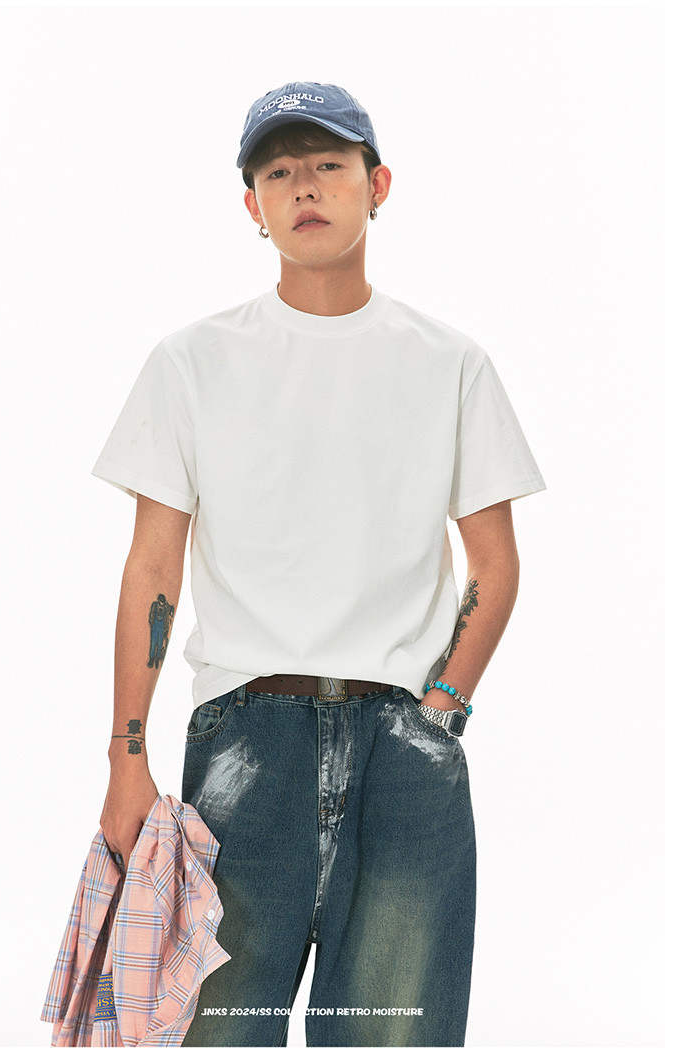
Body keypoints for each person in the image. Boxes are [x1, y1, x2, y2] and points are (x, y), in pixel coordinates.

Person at [92, 81, 546, 1048]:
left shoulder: (449, 362)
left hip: (404, 744)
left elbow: (496, 561)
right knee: (221, 1035)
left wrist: (441, 714)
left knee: (390, 1037)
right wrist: (127, 759)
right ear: (251, 207)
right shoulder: (191, 362)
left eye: (329, 164)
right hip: (244, 743)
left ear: (377, 186)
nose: (304, 186)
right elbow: (151, 568)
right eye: (278, 172)